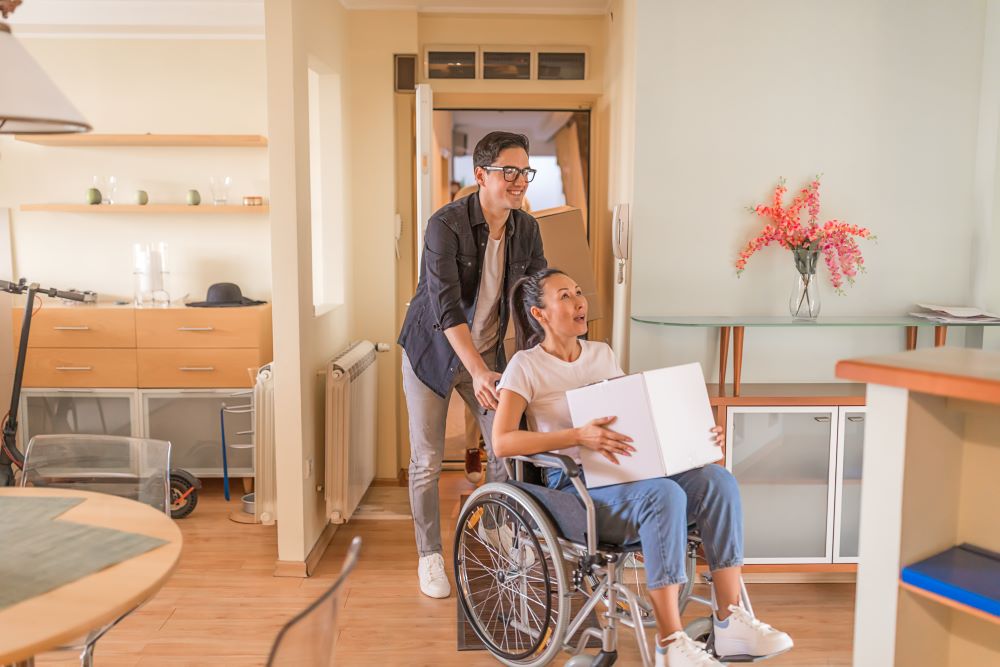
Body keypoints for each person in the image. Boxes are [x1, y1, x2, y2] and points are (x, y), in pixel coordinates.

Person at [492, 268, 794, 667]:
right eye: (564, 296)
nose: (579, 302)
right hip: (575, 485)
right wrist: (577, 435)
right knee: (663, 494)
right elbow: (503, 441)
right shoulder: (525, 366)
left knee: (717, 480)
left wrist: (697, 438)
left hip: (628, 472)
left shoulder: (601, 354)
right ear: (540, 314)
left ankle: (730, 620)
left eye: (579, 292)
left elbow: (633, 416)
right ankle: (670, 642)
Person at [397, 131, 547, 599]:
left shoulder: (527, 228)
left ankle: (495, 527)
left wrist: (547, 355)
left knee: (504, 448)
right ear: (482, 175)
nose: (519, 180)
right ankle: (429, 556)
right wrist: (478, 371)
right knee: (426, 461)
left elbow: (533, 298)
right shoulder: (445, 225)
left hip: (490, 355)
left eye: (525, 171)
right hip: (433, 352)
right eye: (510, 171)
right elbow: (444, 308)